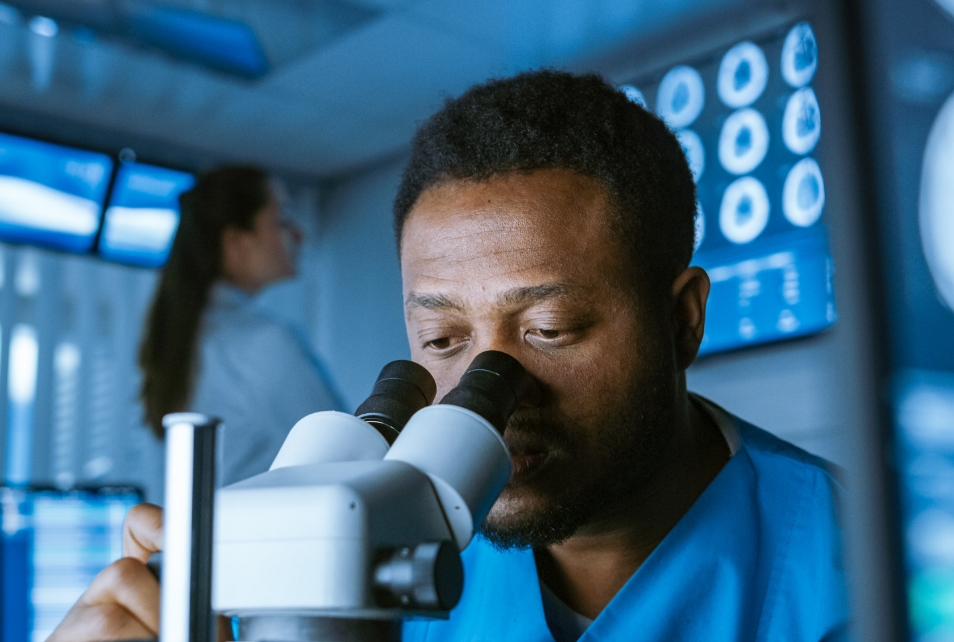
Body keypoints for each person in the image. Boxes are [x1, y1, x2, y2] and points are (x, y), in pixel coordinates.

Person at [50, 71, 847, 642]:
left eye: (550, 327)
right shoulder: (389, 549)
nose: (487, 390)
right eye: (441, 342)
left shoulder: (859, 570)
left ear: (681, 321)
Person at [138, 166, 343, 486]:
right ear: (236, 243)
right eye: (282, 221)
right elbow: (345, 458)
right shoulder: (261, 342)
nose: (298, 235)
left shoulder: (188, 337)